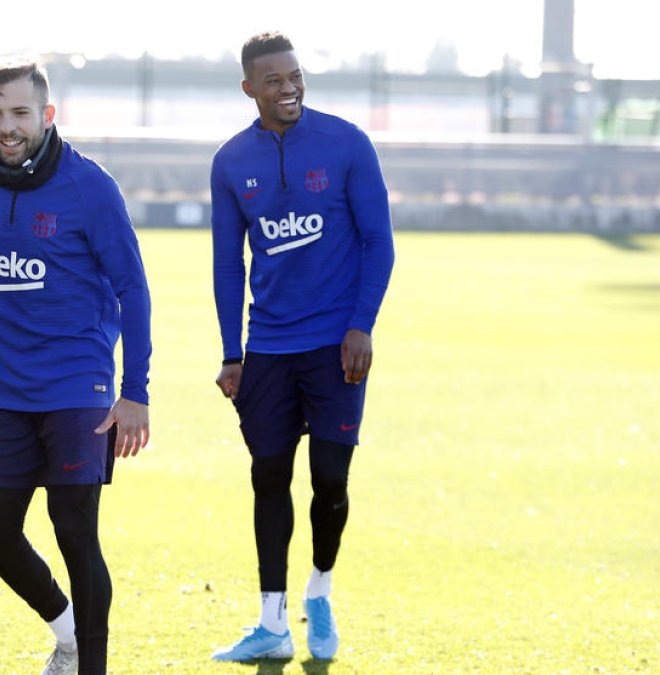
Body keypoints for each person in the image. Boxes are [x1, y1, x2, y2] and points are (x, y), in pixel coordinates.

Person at [0, 58, 152, 675]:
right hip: (5, 392)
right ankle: (68, 632)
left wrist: (134, 391)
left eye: (20, 113)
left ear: (47, 115)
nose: (7, 127)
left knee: (74, 530)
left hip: (79, 389)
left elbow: (133, 288)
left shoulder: (90, 186)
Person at [209, 32, 395, 662]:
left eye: (294, 75)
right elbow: (226, 264)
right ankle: (270, 621)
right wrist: (232, 352)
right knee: (268, 477)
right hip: (269, 349)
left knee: (331, 482)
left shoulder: (346, 144)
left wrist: (361, 325)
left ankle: (319, 587)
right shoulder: (231, 162)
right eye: (273, 80)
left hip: (336, 346)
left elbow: (379, 241)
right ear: (249, 88)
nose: (288, 87)